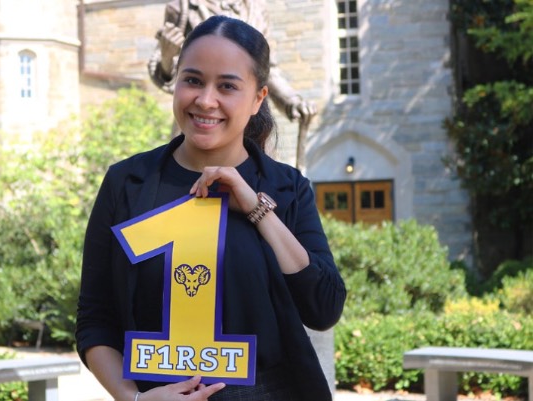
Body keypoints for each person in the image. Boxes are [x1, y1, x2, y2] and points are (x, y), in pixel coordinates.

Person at [76, 15, 346, 401]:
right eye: (193, 80)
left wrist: (257, 209)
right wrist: (134, 399)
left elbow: (323, 308)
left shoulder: (285, 188)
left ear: (258, 99)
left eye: (227, 86)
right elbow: (94, 319)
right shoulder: (127, 183)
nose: (205, 100)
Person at [148, 0, 317, 124]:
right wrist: (167, 56)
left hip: (249, 125)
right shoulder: (181, 7)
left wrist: (291, 100)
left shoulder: (257, 8)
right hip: (198, 123)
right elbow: (170, 72)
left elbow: (266, 68)